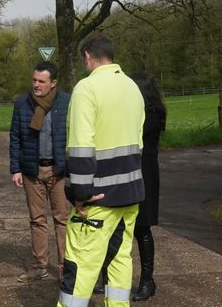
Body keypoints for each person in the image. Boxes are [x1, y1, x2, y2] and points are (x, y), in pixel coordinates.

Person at [58, 34, 145, 307]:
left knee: (80, 264)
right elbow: (139, 141)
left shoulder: (87, 88)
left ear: (87, 56)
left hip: (97, 198)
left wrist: (80, 193)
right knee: (120, 260)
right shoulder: (132, 87)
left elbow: (81, 146)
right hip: (130, 193)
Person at [93, 71, 167, 301]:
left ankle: (147, 280)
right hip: (128, 168)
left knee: (142, 228)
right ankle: (107, 276)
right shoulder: (138, 111)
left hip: (144, 171)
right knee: (114, 224)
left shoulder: (151, 114)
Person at [9, 61, 71, 282]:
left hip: (59, 171)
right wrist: (16, 169)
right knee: (37, 219)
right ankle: (39, 265)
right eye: (34, 80)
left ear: (53, 83)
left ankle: (65, 266)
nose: (36, 84)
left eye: (41, 81)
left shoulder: (67, 102)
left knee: (62, 219)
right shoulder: (22, 103)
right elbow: (15, 137)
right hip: (32, 171)